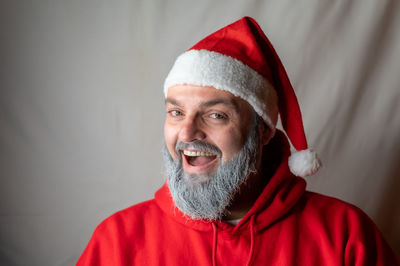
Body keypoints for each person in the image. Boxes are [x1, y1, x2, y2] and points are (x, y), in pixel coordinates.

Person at [77, 17, 399, 265]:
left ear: (263, 131)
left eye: (215, 115)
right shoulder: (116, 240)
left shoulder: (346, 235)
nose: (187, 133)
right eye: (176, 112)